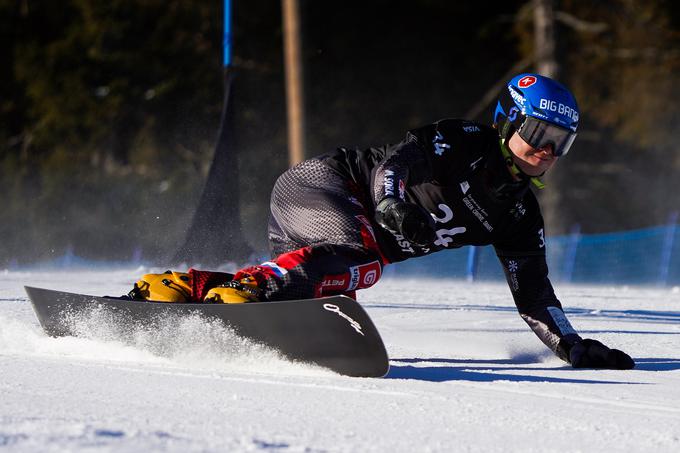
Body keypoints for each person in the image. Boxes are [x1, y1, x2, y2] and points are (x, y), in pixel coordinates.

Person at [130, 73, 634, 370]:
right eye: (539, 132)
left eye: (560, 142)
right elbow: (395, 167)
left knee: (325, 291)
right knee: (363, 262)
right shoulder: (463, 141)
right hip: (318, 187)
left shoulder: (519, 215)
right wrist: (391, 205)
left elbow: (536, 298)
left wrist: (572, 346)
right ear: (508, 121)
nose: (547, 151)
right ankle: (256, 284)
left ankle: (179, 287)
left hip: (333, 241)